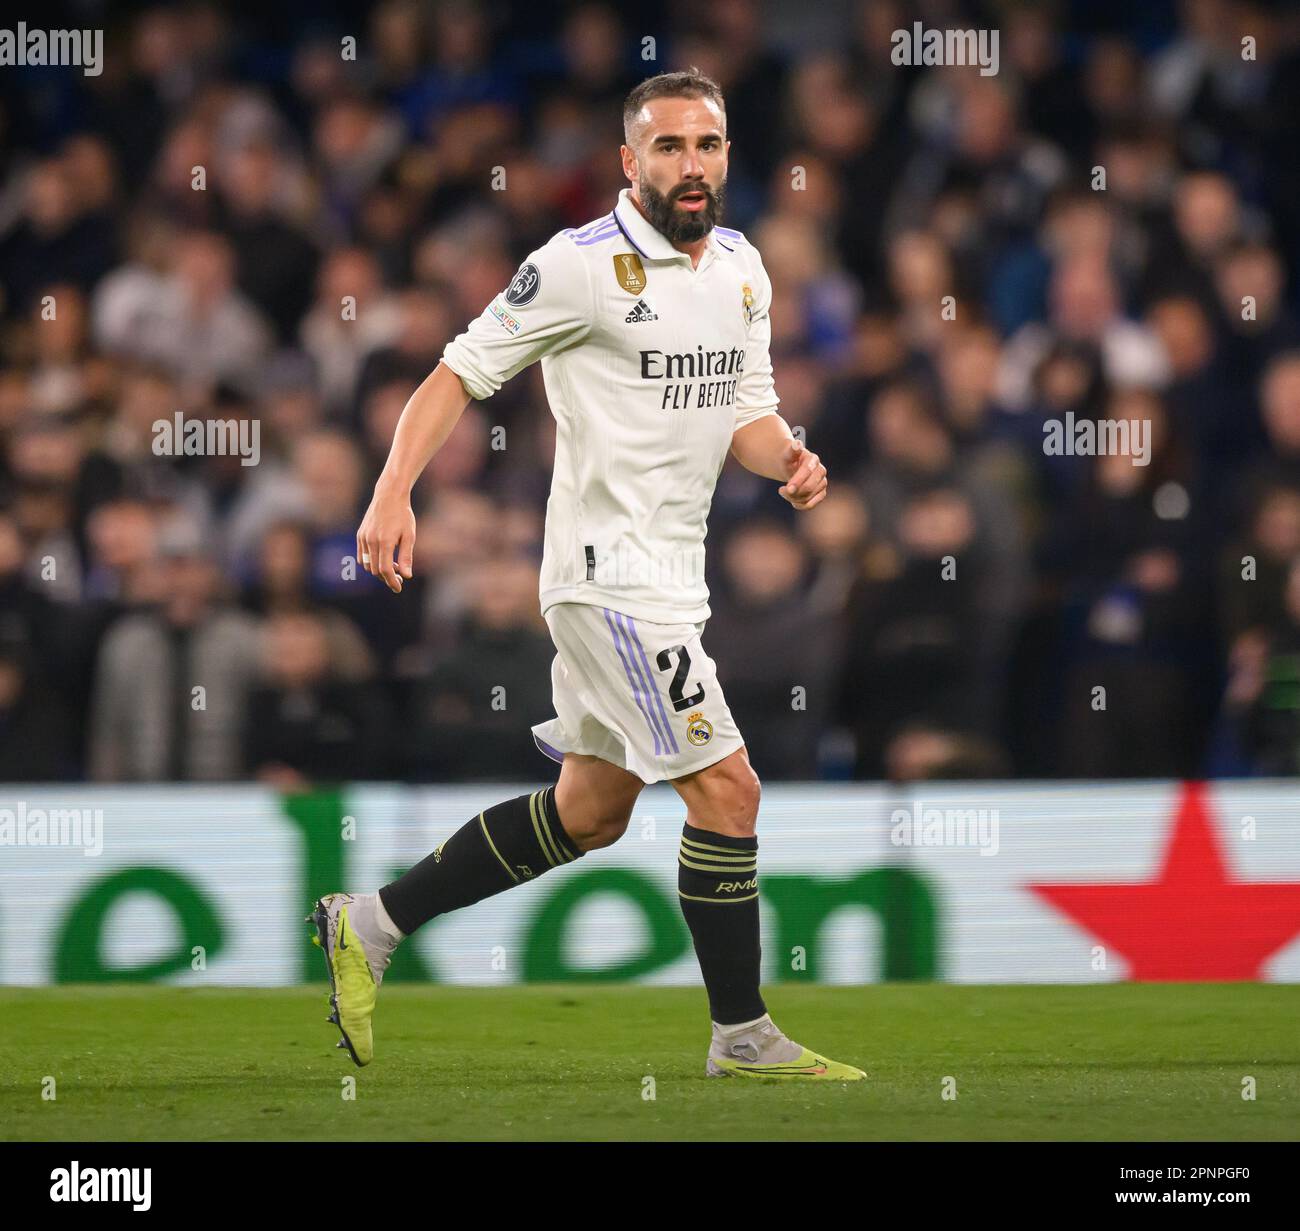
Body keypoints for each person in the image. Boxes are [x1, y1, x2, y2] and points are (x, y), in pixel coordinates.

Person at [310, 69, 863, 1081]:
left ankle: (373, 922)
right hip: (604, 583)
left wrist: (787, 457)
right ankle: (741, 1036)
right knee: (728, 791)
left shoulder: (742, 268)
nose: (689, 166)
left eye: (706, 145)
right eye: (667, 147)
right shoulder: (577, 267)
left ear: (727, 155)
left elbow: (744, 412)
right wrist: (392, 490)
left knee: (591, 811)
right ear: (628, 161)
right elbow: (454, 374)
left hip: (669, 584)